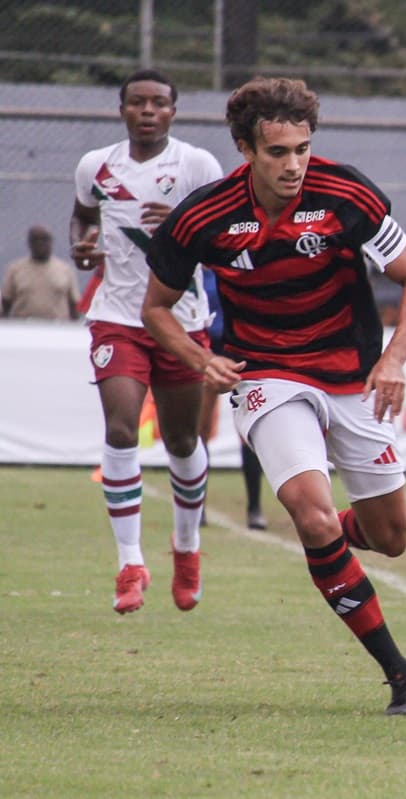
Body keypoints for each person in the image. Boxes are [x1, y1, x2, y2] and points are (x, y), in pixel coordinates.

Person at [141, 76, 406, 717]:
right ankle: (400, 675)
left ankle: (331, 542)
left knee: (390, 538)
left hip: (353, 378)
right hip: (267, 375)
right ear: (245, 149)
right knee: (312, 513)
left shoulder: (347, 193)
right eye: (278, 152)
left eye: (302, 148)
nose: (294, 164)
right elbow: (157, 310)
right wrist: (202, 358)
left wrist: (393, 360)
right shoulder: (205, 215)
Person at [69, 69, 225, 615]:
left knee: (182, 442)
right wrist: (81, 247)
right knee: (119, 428)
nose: (148, 111)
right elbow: (82, 218)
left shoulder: (198, 166)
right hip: (117, 316)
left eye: (159, 103)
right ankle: (130, 564)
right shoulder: (96, 166)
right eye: (138, 102)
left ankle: (187, 549)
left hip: (180, 319)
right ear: (123, 110)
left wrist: (180, 225)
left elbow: (226, 237)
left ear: (173, 112)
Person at [198, 267, 267, 531]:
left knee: (248, 429)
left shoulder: (236, 261)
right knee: (200, 429)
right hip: (206, 351)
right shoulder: (195, 268)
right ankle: (197, 504)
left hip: (240, 348)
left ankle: (254, 507)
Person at [1, 225, 80, 320]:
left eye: (44, 239)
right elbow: (5, 302)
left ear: (51, 242)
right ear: (29, 243)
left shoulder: (65, 270)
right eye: (36, 240)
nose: (40, 243)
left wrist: (74, 329)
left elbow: (74, 304)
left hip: (57, 329)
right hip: (23, 328)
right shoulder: (15, 269)